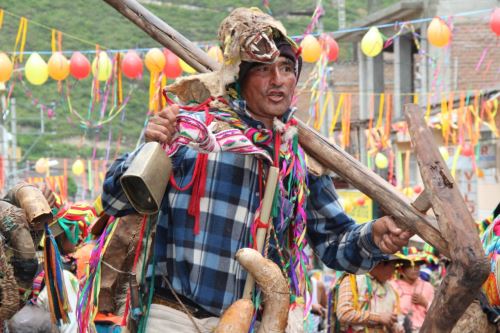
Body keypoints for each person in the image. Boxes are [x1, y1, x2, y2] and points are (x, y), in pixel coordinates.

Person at [101, 7, 411, 332]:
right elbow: (114, 201)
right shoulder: (192, 131)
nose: (278, 79)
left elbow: (333, 245)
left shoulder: (299, 158)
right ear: (240, 77)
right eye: (263, 69)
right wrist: (151, 146)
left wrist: (374, 237)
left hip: (254, 323)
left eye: (287, 68)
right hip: (174, 316)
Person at [334, 257, 403, 333]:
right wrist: (378, 317)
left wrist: (395, 327)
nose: (394, 271)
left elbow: (392, 318)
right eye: (393, 266)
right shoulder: (352, 279)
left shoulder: (390, 289)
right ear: (380, 263)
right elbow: (343, 313)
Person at [391, 247, 434, 333]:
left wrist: (425, 303)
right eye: (411, 266)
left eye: (417, 265)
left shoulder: (428, 286)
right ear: (401, 268)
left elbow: (438, 313)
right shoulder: (392, 286)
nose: (416, 269)